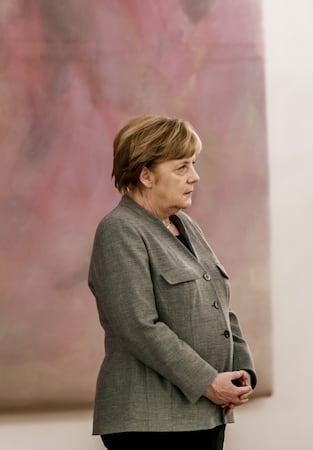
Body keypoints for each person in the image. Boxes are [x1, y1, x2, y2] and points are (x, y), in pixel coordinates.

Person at [88, 115, 257, 450]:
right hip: (150, 425)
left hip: (206, 415)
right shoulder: (119, 229)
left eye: (192, 164)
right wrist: (208, 382)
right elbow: (139, 326)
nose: (194, 177)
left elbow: (220, 306)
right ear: (146, 175)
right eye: (181, 167)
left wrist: (243, 371)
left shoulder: (186, 225)